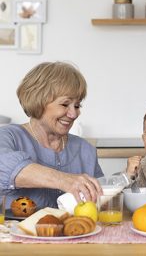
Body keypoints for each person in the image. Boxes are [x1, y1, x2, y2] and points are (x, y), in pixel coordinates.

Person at [0, 61, 104, 208]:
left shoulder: (85, 150)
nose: (73, 114)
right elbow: (3, 167)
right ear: (38, 101)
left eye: (77, 105)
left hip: (75, 230)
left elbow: (102, 200)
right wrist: (63, 180)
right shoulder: (8, 136)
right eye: (65, 104)